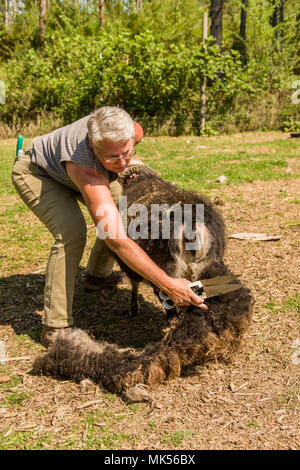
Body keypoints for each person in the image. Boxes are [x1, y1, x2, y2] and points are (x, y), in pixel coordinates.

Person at [12, 107, 207, 348]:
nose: (123, 162)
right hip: (39, 172)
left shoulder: (133, 131)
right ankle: (56, 326)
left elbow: (125, 159)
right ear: (94, 148)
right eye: (113, 157)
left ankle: (97, 275)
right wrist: (166, 283)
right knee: (72, 233)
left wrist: (131, 167)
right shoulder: (86, 165)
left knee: (125, 213)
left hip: (82, 168)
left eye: (126, 153)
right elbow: (116, 239)